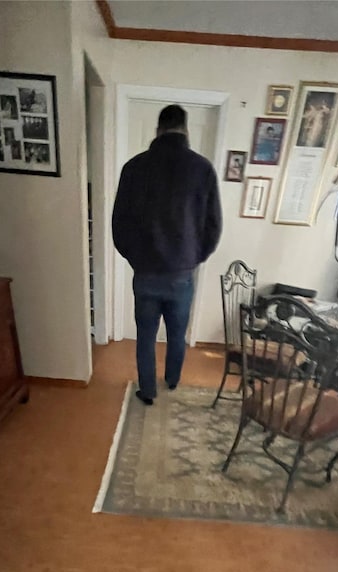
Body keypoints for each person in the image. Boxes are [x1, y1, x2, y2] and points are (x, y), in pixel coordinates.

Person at [112, 104, 222, 405]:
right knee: (176, 334)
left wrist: (136, 257)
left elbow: (118, 226)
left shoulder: (134, 168)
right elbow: (214, 227)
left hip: (145, 273)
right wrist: (193, 257)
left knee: (145, 337)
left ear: (158, 129)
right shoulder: (202, 169)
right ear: (185, 129)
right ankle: (172, 380)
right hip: (181, 274)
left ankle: (148, 390)